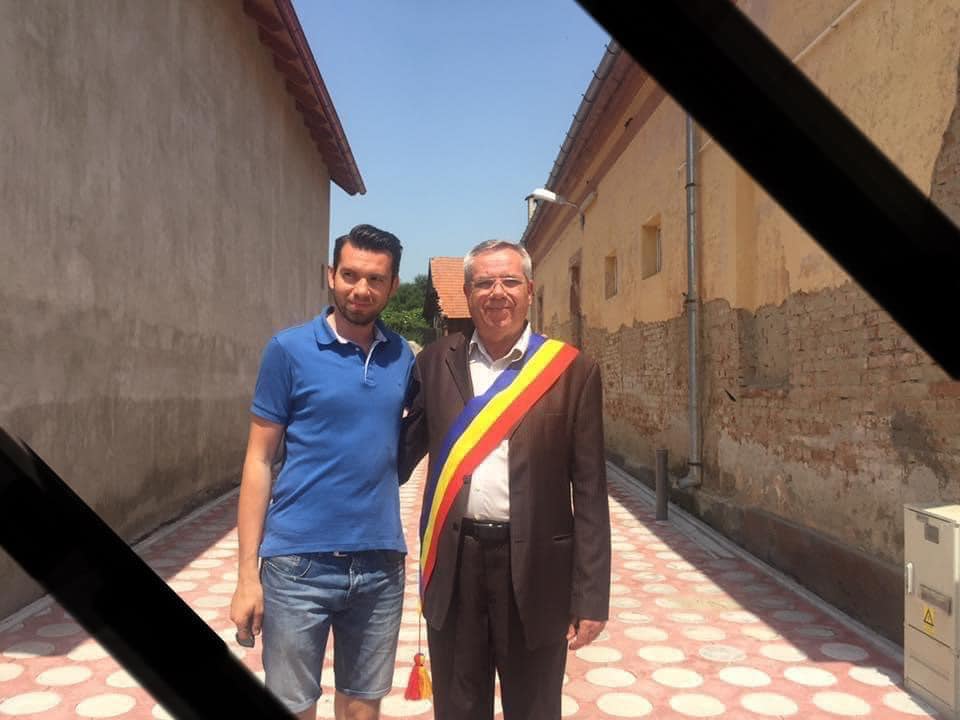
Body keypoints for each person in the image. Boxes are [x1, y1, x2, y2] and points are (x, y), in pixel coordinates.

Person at [400, 239, 611, 719]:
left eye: (510, 281)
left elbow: (591, 493)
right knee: (458, 708)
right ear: (467, 293)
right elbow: (399, 451)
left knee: (534, 708)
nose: (498, 292)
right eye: (484, 283)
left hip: (538, 569)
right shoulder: (434, 362)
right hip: (455, 565)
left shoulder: (572, 370)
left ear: (530, 290)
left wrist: (592, 595)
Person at [230, 224, 414, 720]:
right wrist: (247, 576)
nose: (361, 289)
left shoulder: (402, 358)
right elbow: (259, 460)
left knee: (362, 708)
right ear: (331, 275)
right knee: (293, 706)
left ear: (393, 286)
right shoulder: (288, 350)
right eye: (350, 275)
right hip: (297, 564)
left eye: (375, 279)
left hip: (379, 564)